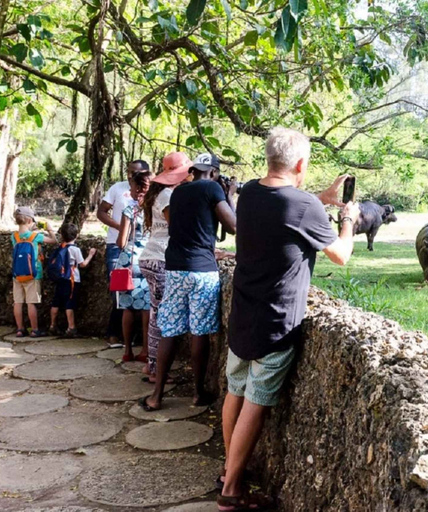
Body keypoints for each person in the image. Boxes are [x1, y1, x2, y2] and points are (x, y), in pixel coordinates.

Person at [217, 127, 360, 511]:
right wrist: (348, 218)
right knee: (256, 399)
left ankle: (228, 472)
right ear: (300, 164)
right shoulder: (303, 207)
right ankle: (231, 491)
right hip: (276, 320)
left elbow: (284, 205)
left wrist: (321, 197)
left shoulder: (248, 193)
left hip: (243, 313)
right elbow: (341, 255)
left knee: (235, 389)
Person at [140, 153, 237, 412]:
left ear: (193, 170)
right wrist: (230, 195)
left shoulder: (178, 192)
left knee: (169, 330)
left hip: (174, 269)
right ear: (214, 172)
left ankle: (156, 396)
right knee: (199, 331)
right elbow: (234, 225)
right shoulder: (212, 188)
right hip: (202, 270)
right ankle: (197, 393)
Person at [138, 152, 193, 382]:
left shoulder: (159, 193)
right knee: (161, 317)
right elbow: (176, 226)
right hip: (161, 259)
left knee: (156, 314)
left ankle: (151, 365)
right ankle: (154, 370)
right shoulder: (168, 195)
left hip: (152, 257)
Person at [97, 160, 150, 345]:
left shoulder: (150, 196)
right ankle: (114, 333)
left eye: (135, 172)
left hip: (142, 251)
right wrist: (121, 227)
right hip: (117, 246)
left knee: (141, 295)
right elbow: (101, 212)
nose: (130, 175)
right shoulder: (117, 188)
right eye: (129, 172)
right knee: (119, 290)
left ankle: (134, 339)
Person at [115, 170, 152, 363]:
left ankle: (127, 350)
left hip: (129, 262)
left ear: (135, 188)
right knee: (147, 308)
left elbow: (121, 242)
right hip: (149, 259)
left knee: (127, 308)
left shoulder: (130, 209)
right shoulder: (155, 209)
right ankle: (146, 350)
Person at [11, 206, 58, 338]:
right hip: (34, 273)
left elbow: (23, 237)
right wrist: (49, 228)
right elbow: (54, 241)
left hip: (17, 273)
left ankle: (20, 329)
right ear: (30, 220)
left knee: (18, 302)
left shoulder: (14, 236)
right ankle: (35, 330)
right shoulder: (36, 236)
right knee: (31, 303)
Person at [48, 223, 97, 337]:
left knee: (56, 301)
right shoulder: (75, 249)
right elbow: (83, 264)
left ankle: (52, 325)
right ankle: (71, 327)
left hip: (59, 278)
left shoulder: (61, 247)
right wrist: (90, 255)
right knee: (69, 303)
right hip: (71, 279)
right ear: (76, 236)